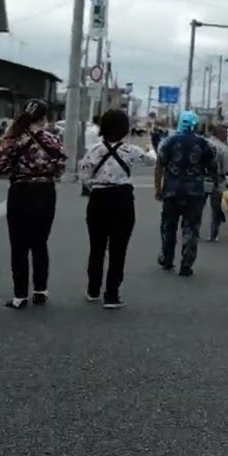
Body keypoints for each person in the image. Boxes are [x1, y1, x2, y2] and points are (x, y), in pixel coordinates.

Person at [0, 99, 66, 309]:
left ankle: (20, 296)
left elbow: (1, 167)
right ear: (44, 118)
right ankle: (40, 291)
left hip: (20, 192)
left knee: (19, 246)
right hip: (45, 192)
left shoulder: (12, 138)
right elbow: (60, 168)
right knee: (40, 243)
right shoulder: (53, 140)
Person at [78, 109, 147, 308]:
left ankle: (93, 290)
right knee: (119, 249)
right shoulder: (131, 151)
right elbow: (153, 159)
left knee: (97, 247)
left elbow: (84, 176)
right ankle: (112, 295)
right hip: (123, 199)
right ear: (125, 129)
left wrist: (95, 185)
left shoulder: (93, 150)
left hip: (98, 199)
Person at [153, 110, 217, 277]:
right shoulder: (204, 144)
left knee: (168, 226)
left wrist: (158, 189)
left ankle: (167, 259)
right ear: (196, 125)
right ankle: (186, 264)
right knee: (191, 227)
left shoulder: (169, 142)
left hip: (171, 191)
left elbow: (159, 166)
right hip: (195, 192)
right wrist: (215, 183)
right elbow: (213, 167)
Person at [207, 124, 228, 242]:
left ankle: (193, 230)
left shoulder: (204, 143)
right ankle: (214, 234)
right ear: (219, 134)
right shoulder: (223, 148)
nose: (227, 135)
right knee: (216, 208)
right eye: (225, 133)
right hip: (217, 181)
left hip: (200, 180)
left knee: (196, 207)